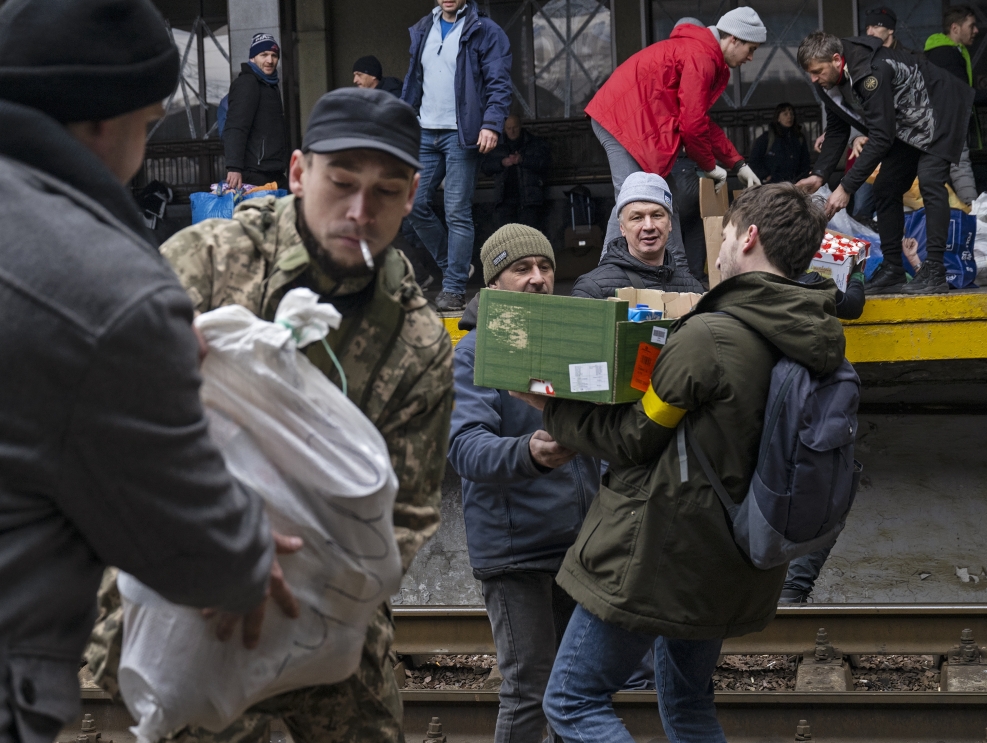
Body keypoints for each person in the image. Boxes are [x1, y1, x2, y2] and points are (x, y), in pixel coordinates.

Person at [85, 88, 455, 743]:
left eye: (387, 191)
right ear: (297, 172)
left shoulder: (418, 342)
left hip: (331, 609)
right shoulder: (210, 262)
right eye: (341, 182)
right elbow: (102, 423)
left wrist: (304, 573)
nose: (360, 211)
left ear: (413, 192)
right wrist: (215, 541)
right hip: (184, 569)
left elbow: (410, 515)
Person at [0, 1, 296, 740]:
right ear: (102, 121)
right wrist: (253, 548)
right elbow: (202, 553)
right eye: (148, 123)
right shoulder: (110, 292)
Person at [514, 184, 845, 743]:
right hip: (733, 553)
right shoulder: (815, 333)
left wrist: (552, 410)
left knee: (571, 701)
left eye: (727, 232)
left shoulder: (709, 337)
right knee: (689, 708)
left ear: (750, 238)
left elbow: (634, 439)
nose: (716, 247)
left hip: (661, 553)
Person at [449, 224, 600, 743]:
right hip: (515, 547)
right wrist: (528, 454)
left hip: (577, 544)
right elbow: (465, 446)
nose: (538, 279)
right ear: (493, 286)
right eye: (521, 269)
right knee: (530, 689)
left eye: (546, 267)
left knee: (572, 691)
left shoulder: (566, 341)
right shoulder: (473, 353)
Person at [584, 7, 766, 266]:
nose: (751, 58)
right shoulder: (701, 56)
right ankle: (604, 278)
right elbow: (692, 125)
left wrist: (738, 163)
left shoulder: (700, 53)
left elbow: (698, 119)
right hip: (621, 121)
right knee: (631, 200)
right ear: (734, 39)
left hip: (636, 123)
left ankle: (678, 275)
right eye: (751, 49)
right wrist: (709, 165)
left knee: (664, 199)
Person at [795, 32, 973, 295]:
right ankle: (892, 268)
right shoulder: (829, 82)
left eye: (817, 71)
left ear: (836, 60)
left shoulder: (870, 72)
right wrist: (820, 175)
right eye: (809, 73)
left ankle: (935, 270)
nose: (813, 79)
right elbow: (837, 128)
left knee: (930, 181)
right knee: (886, 187)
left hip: (940, 108)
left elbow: (881, 137)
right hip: (906, 122)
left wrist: (846, 187)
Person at [402, 0, 513, 312]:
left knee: (456, 211)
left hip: (461, 133)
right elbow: (414, 81)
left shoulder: (485, 30)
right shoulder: (424, 27)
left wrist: (491, 124)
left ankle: (453, 289)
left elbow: (499, 83)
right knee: (413, 202)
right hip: (425, 130)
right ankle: (456, 267)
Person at [781, 263, 866, 603]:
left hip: (775, 401)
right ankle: (793, 589)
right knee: (828, 492)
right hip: (820, 402)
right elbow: (854, 306)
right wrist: (858, 275)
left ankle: (786, 590)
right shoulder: (819, 286)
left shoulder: (749, 291)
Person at [573, 172, 705, 299]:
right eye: (637, 218)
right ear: (622, 228)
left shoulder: (692, 289)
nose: (648, 226)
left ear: (670, 224)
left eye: (657, 215)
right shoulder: (592, 291)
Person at [925, 6, 987, 205]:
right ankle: (974, 215)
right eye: (971, 25)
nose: (976, 31)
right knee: (959, 168)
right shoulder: (945, 55)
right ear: (955, 28)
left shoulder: (946, 52)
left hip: (940, 125)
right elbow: (962, 94)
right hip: (948, 125)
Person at [223, 33, 290, 190]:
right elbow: (235, 125)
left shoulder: (269, 84)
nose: (270, 60)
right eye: (264, 55)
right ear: (253, 58)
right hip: (254, 173)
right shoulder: (247, 83)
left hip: (273, 171)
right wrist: (234, 167)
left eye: (274, 55)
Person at [481, 115, 550, 232]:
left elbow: (545, 164)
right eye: (509, 128)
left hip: (529, 201)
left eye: (515, 127)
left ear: (520, 127)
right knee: (507, 240)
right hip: (504, 201)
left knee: (529, 240)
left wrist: (522, 160)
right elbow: (485, 167)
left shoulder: (534, 143)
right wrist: (501, 163)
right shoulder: (498, 146)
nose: (512, 131)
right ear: (504, 129)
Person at [748, 103, 812, 184]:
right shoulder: (767, 138)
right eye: (785, 114)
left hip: (794, 185)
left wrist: (802, 179)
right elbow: (754, 161)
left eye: (791, 114)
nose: (789, 117)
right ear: (778, 118)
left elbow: (805, 163)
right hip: (773, 185)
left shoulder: (799, 138)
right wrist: (766, 176)